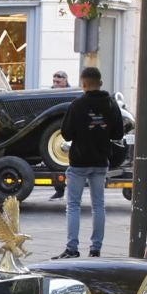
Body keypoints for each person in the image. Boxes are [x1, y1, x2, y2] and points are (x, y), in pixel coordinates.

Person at [58, 66, 121, 258]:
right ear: (100, 83)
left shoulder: (77, 105)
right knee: (98, 205)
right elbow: (118, 133)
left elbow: (66, 133)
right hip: (101, 160)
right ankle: (96, 249)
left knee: (74, 205)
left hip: (79, 161)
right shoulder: (111, 104)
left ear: (83, 83)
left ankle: (72, 248)